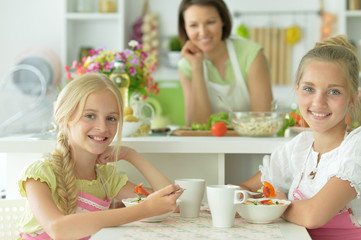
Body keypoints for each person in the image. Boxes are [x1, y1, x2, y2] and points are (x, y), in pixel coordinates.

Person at [18, 72, 182, 240]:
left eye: (111, 118)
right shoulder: (40, 173)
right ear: (65, 118)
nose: (102, 127)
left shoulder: (107, 178)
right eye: (90, 116)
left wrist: (131, 155)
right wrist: (144, 209)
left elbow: (169, 204)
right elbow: (58, 229)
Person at [237, 35, 361, 239]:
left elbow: (313, 216)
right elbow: (245, 189)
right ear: (297, 90)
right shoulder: (299, 148)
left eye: (334, 92)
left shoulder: (355, 147)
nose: (318, 102)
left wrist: (276, 204)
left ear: (352, 99)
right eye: (309, 89)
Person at [177, 0, 273, 125]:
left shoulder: (250, 54)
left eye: (210, 22)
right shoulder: (186, 66)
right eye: (193, 25)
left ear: (223, 20)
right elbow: (198, 126)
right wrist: (197, 67)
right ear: (184, 27)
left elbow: (264, 120)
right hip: (209, 143)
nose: (203, 32)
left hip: (252, 141)